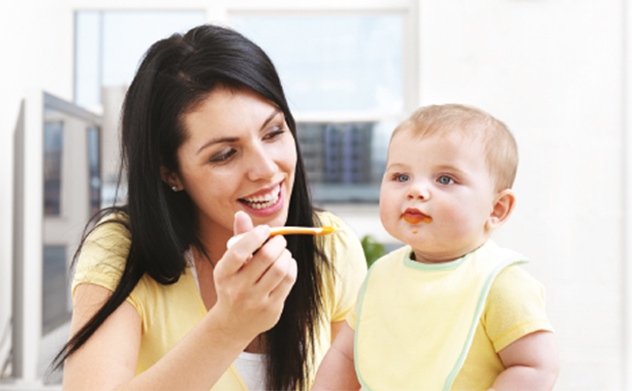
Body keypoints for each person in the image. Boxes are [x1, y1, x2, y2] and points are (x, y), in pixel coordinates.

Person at [54, 24, 367, 391]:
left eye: (273, 132)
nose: (267, 168)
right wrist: (229, 326)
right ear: (170, 172)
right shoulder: (121, 250)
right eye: (225, 154)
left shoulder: (330, 245)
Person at [312, 104, 559, 391]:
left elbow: (536, 367)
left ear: (497, 209)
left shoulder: (499, 283)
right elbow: (344, 355)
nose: (415, 190)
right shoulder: (381, 275)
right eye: (401, 177)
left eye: (445, 179)